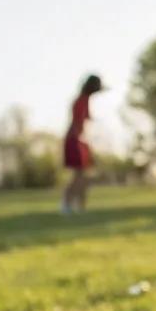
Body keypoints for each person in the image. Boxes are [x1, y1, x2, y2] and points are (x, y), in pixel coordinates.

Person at [62, 74, 103, 214]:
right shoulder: (82, 100)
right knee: (79, 175)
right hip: (74, 140)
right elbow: (79, 123)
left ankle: (79, 206)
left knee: (83, 175)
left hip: (79, 140)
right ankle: (67, 204)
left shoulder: (84, 100)